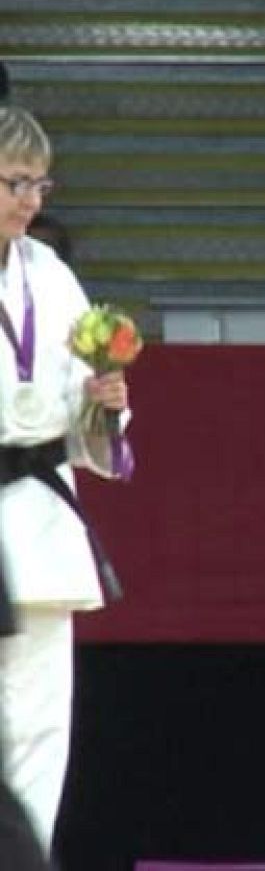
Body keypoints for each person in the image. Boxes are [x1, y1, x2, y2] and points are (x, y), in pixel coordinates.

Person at [0, 106, 131, 851]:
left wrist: (102, 400)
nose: (30, 199)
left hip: (42, 520)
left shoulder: (52, 277)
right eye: (15, 181)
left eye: (39, 183)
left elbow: (91, 416)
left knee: (43, 727)